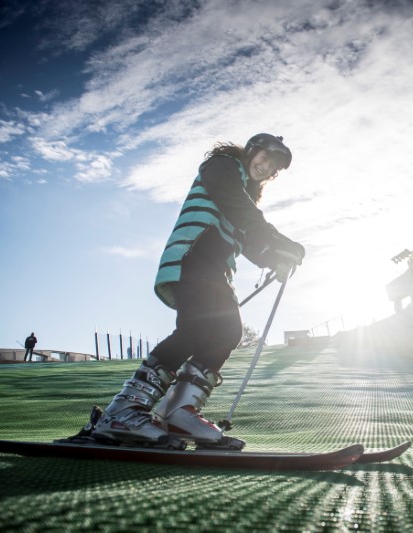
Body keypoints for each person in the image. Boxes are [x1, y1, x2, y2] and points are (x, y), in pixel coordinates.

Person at [91, 134, 305, 449]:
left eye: (273, 167)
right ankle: (123, 410)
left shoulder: (243, 197)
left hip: (215, 272)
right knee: (196, 330)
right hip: (192, 259)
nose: (266, 167)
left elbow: (250, 242)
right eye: (265, 157)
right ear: (251, 151)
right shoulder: (221, 167)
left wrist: (277, 258)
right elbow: (239, 208)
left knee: (227, 333)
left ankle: (179, 412)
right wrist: (279, 239)